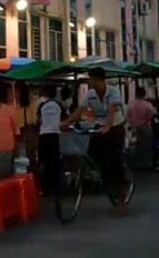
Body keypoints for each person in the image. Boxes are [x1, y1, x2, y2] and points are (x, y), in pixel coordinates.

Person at [64, 67, 128, 213]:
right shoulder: (90, 94)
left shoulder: (113, 91)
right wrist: (66, 123)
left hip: (115, 126)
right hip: (99, 126)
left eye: (92, 79)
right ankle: (102, 179)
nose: (91, 82)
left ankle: (122, 196)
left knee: (115, 160)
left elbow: (112, 110)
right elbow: (79, 110)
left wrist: (108, 126)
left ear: (100, 79)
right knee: (94, 154)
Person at [37, 86, 63, 195]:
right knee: (55, 162)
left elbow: (38, 121)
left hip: (44, 135)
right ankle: (56, 187)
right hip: (55, 135)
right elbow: (64, 119)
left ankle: (44, 188)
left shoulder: (42, 106)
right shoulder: (59, 105)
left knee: (44, 162)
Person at [127, 87, 155, 169]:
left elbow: (128, 116)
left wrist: (133, 125)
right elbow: (150, 115)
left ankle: (136, 163)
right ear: (144, 94)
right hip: (145, 126)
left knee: (137, 146)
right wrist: (145, 121)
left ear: (136, 94)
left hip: (135, 127)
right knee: (146, 146)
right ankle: (146, 163)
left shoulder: (131, 104)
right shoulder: (147, 105)